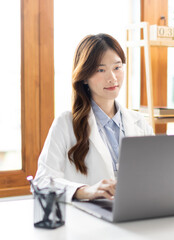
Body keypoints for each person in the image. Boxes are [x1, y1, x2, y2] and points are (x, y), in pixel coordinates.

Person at [34, 33, 153, 203]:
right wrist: (85, 191)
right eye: (101, 70)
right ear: (84, 76)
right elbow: (42, 181)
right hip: (88, 220)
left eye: (117, 67)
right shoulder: (66, 123)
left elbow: (156, 175)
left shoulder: (139, 122)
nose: (112, 78)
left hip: (134, 214)